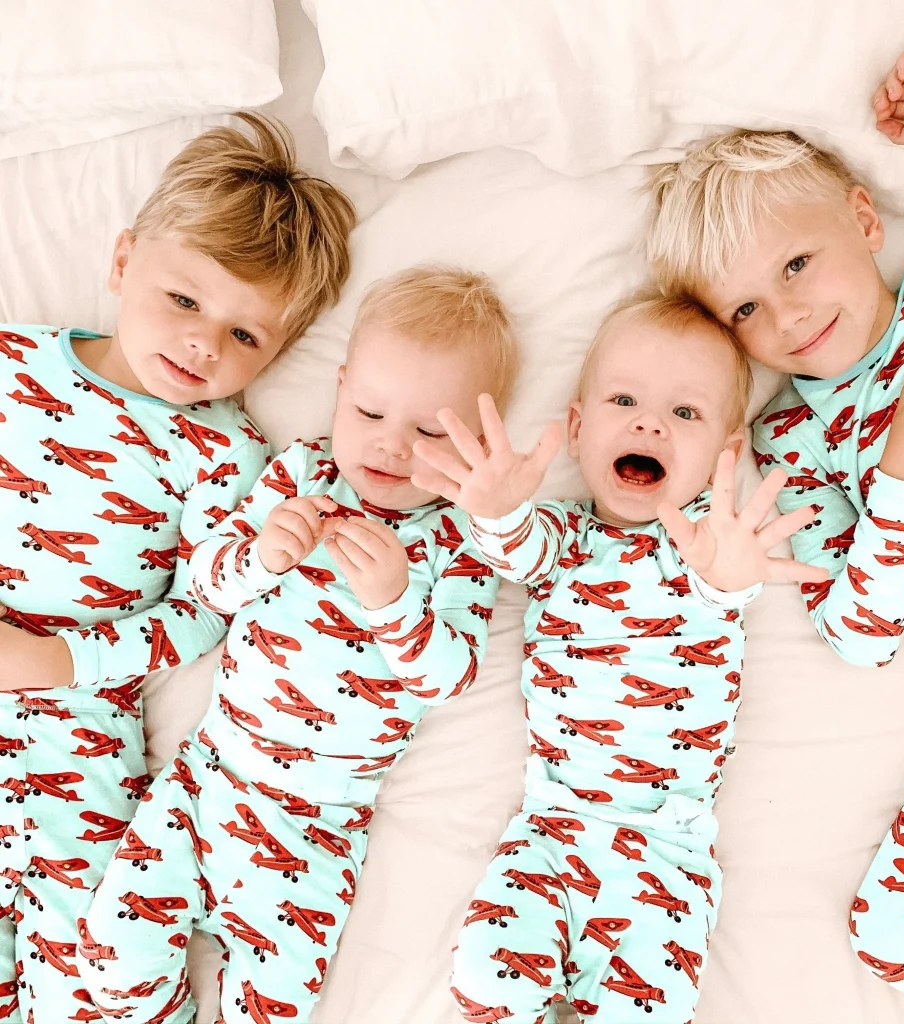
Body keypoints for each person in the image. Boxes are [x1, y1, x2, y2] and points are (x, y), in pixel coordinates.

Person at [646, 48, 904, 1006]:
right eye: (746, 308)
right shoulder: (799, 445)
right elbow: (860, 636)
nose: (790, 311)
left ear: (864, 218)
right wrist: (902, 478)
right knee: (900, 945)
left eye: (797, 263)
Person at [80, 266, 519, 1024]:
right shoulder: (302, 473)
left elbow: (449, 677)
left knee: (277, 1003)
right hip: (206, 780)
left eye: (426, 432)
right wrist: (260, 553)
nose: (389, 446)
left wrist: (395, 603)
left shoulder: (460, 540)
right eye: (370, 411)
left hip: (317, 823)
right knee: (111, 956)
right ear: (341, 388)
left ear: (477, 442)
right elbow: (208, 587)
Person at [0, 112, 355, 1022]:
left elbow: (203, 610)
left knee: (98, 977)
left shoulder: (223, 455)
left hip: (72, 738)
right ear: (123, 265)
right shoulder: (12, 365)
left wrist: (59, 665)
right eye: (186, 302)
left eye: (246, 338)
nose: (203, 346)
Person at [415, 294, 826, 1023]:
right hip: (551, 827)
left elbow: (723, 589)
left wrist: (729, 572)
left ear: (726, 457)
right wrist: (496, 508)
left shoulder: (708, 547)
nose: (649, 423)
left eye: (685, 414)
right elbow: (518, 549)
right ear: (576, 430)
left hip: (665, 843)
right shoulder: (565, 538)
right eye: (624, 400)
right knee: (486, 982)